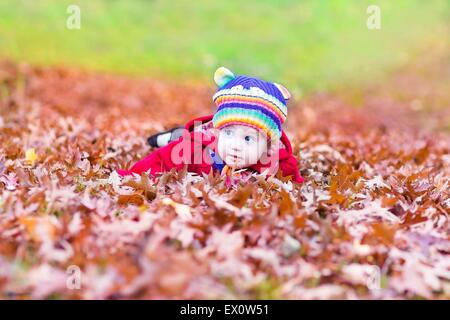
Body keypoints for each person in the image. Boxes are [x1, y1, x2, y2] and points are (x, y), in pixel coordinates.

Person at [117, 67, 304, 184]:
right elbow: (160, 161)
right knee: (180, 139)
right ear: (219, 129)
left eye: (248, 138)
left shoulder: (277, 162)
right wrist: (129, 177)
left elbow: (294, 182)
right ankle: (168, 136)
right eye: (229, 133)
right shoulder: (197, 148)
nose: (235, 145)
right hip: (199, 137)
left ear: (268, 145)